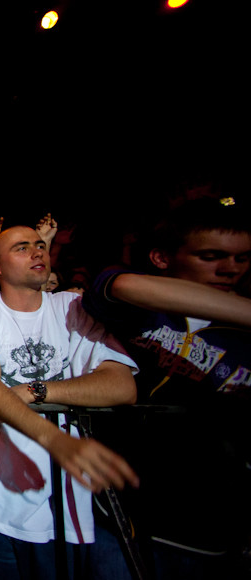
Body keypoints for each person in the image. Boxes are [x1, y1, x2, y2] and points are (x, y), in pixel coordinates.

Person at [0, 224, 139, 579]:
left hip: (65, 499)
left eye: (40, 245)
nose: (37, 252)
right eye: (22, 248)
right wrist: (56, 439)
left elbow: (121, 385)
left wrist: (38, 390)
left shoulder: (72, 307)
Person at [81, 197, 251, 578]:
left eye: (242, 259)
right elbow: (118, 284)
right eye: (211, 256)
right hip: (118, 513)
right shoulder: (139, 305)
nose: (230, 269)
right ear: (161, 258)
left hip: (206, 528)